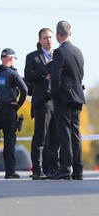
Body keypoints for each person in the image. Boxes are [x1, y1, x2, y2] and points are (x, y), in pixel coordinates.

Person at [49, 21, 85, 180]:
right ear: (70, 33)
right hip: (77, 96)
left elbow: (56, 76)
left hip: (63, 97)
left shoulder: (59, 52)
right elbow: (81, 74)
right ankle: (78, 169)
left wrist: (54, 94)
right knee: (75, 133)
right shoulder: (78, 51)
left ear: (57, 34)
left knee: (64, 133)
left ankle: (65, 168)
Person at [24, 28, 60, 180]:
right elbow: (28, 76)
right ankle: (37, 170)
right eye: (45, 38)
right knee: (40, 137)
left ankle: (55, 169)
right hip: (43, 101)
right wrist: (45, 70)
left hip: (57, 101)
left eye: (51, 37)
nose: (49, 40)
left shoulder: (59, 54)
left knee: (56, 138)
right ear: (40, 40)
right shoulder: (33, 57)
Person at [0, 48, 27, 179]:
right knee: (9, 142)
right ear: (11, 59)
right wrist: (18, 104)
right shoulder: (13, 74)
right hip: (8, 111)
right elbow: (24, 89)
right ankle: (10, 171)